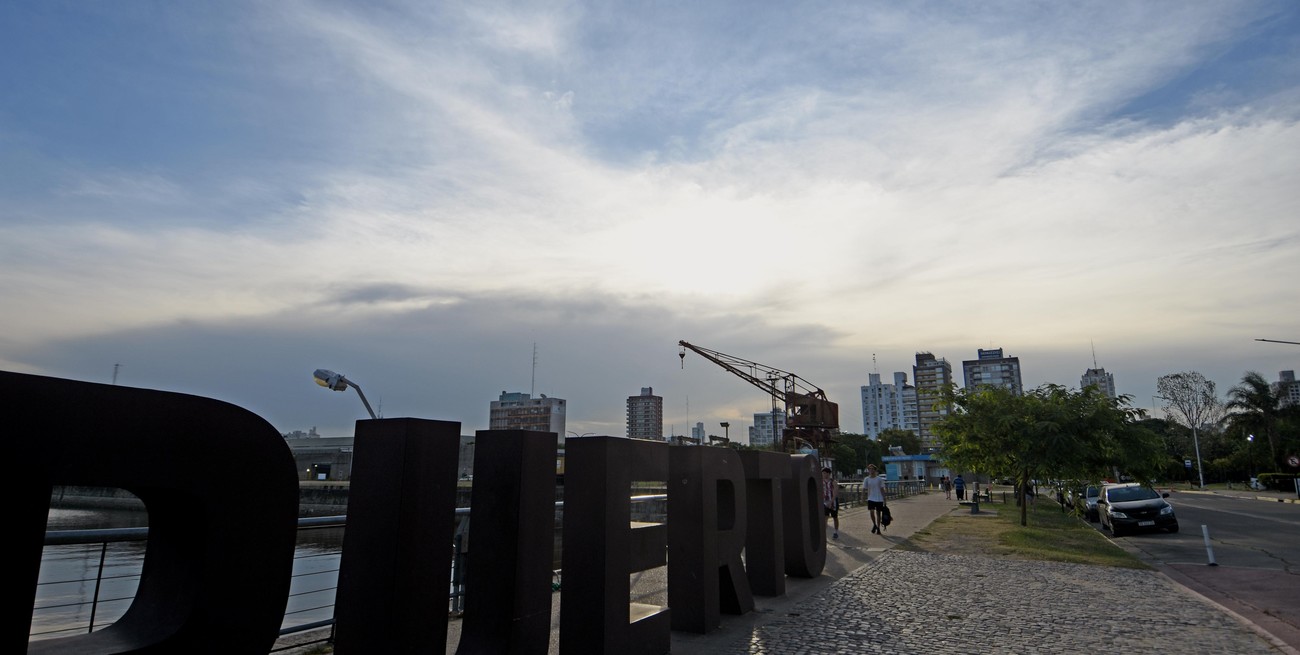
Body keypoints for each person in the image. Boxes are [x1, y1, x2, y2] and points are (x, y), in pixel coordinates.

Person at [864, 464, 887, 534]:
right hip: (871, 498)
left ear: (875, 470)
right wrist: (862, 497)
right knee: (871, 512)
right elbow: (864, 488)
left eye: (872, 469)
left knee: (878, 513)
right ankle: (874, 524)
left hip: (879, 498)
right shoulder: (867, 479)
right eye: (869, 469)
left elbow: (882, 489)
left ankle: (878, 528)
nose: (871, 470)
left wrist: (884, 498)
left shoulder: (879, 479)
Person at [821, 466, 839, 540]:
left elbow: (835, 493)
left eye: (824, 473)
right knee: (825, 517)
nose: (823, 474)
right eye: (822, 473)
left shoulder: (833, 482)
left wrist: (831, 502)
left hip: (833, 502)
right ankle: (824, 534)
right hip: (825, 502)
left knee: (835, 517)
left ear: (828, 473)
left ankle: (836, 532)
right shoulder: (821, 482)